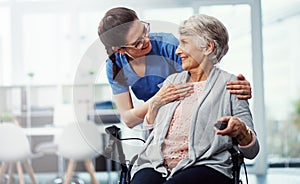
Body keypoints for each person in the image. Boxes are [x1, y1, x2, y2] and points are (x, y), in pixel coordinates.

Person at [129, 14, 260, 184]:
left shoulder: (231, 85)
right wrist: (153, 108)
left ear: (207, 47)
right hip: (156, 164)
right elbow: (152, 139)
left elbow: (252, 151)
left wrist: (242, 131)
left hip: (205, 165)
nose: (177, 51)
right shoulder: (172, 82)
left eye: (184, 43)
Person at [98, 7, 252, 128]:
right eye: (137, 42)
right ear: (120, 49)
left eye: (145, 31)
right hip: (154, 121)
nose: (146, 41)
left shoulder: (168, 44)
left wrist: (230, 88)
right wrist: (159, 99)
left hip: (187, 115)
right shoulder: (115, 66)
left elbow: (202, 79)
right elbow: (129, 120)